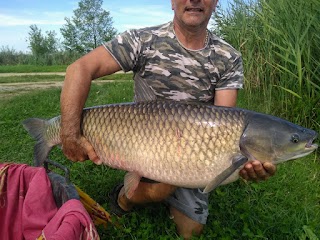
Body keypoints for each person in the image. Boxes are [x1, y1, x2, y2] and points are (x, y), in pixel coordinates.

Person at [60, 0, 276, 239]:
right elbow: (78, 69)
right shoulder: (143, 40)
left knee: (191, 231)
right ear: (172, 2)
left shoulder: (228, 56)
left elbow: (225, 123)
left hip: (193, 152)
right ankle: (124, 196)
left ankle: (161, 190)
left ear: (215, 2)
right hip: (140, 142)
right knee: (151, 193)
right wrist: (69, 133)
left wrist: (243, 163)